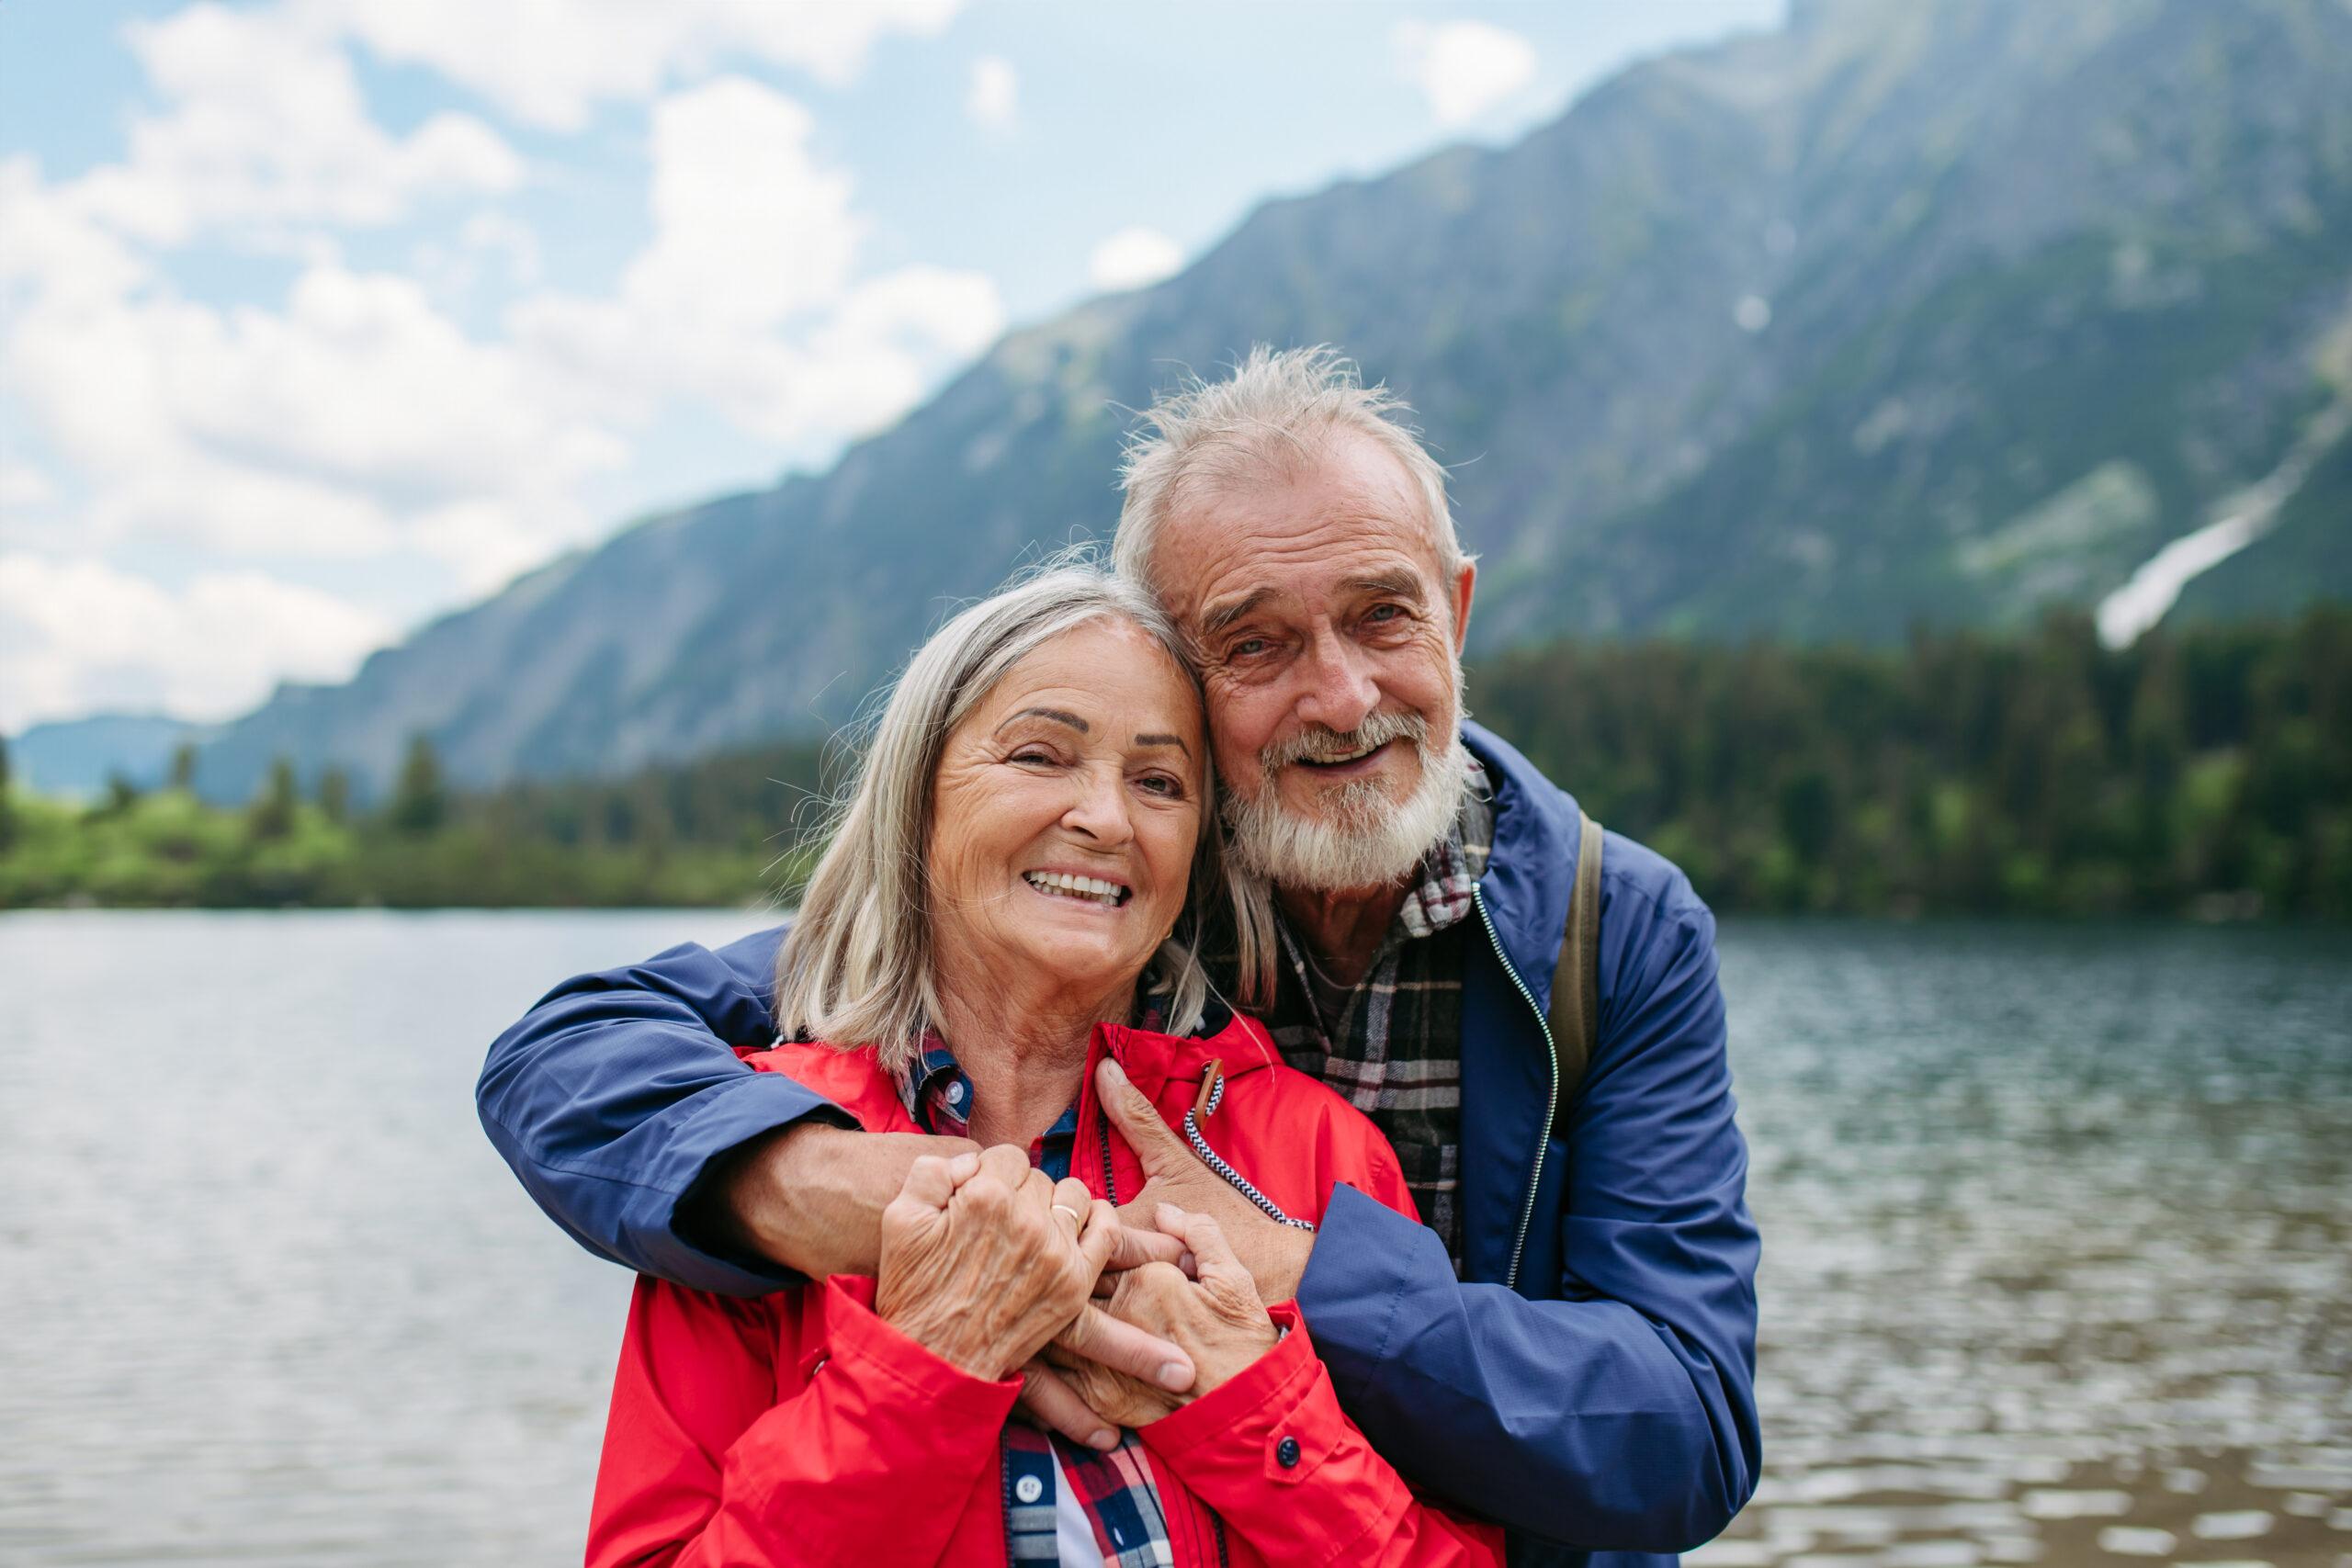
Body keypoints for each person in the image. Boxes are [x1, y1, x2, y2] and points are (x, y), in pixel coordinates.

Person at [482, 347, 1760, 1566]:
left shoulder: (1613, 929)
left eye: (1384, 615)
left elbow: (1689, 1429)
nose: (1342, 696)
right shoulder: (1095, 894)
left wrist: (1293, 1285)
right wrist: (891, 1207)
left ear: (1458, 610)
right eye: (1256, 641)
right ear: (1177, 671)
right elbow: (570, 1051)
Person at [585, 567, 1500, 1566]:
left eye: (1158, 783)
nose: (1106, 819)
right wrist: (929, 1365)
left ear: (1195, 849)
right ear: (918, 798)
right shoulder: (769, 1154)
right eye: (1039, 754)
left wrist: (1247, 1405)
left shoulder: (1311, 1151)